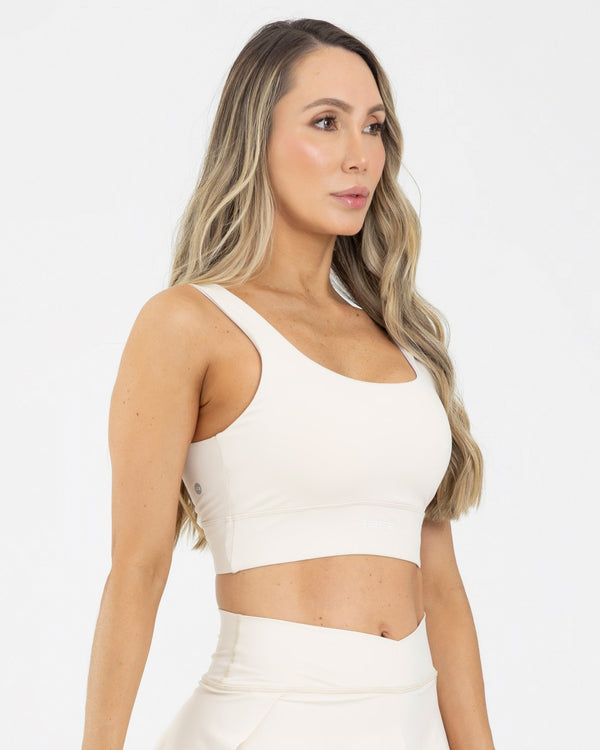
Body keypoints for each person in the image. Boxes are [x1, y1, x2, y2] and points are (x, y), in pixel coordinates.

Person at [81, 17, 495, 750]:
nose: (359, 155)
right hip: (266, 723)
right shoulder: (188, 324)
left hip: (405, 726)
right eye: (326, 123)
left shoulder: (401, 339)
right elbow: (137, 570)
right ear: (256, 139)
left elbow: (443, 590)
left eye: (373, 127)